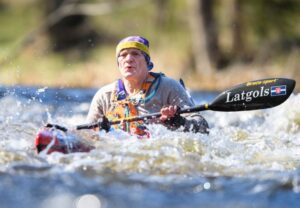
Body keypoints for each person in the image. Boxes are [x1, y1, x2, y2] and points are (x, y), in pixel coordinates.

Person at [86, 36, 209, 136]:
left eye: (135, 54)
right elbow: (87, 135)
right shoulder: (104, 95)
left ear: (148, 63)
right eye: (123, 55)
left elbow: (203, 128)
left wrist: (178, 122)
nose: (128, 59)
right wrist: (100, 132)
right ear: (118, 64)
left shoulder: (169, 87)